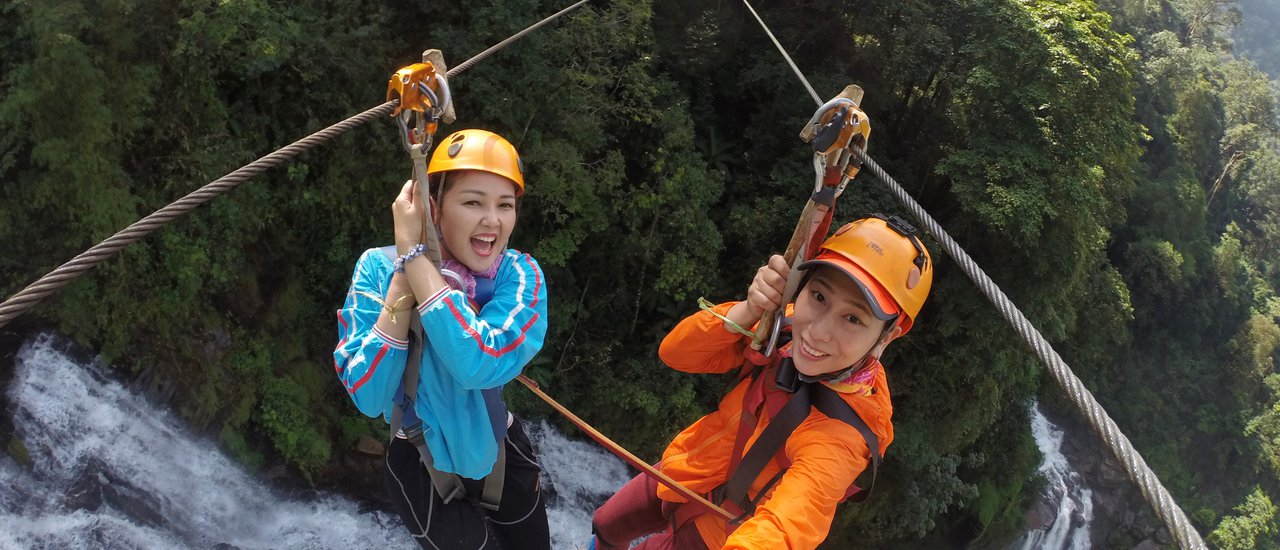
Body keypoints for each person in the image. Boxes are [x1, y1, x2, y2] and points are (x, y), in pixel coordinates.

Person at [590, 215, 934, 549]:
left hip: (713, 534)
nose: (818, 331)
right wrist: (749, 309)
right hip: (685, 466)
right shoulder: (782, 333)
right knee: (606, 524)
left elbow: (788, 526)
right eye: (819, 297)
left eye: (853, 318)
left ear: (889, 335)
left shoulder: (841, 438)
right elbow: (676, 354)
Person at [334, 129, 550, 549]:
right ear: (433, 209)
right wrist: (403, 273)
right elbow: (368, 393)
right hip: (418, 462)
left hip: (498, 449)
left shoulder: (518, 274)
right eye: (473, 202)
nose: (493, 220)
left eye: (505, 205)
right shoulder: (378, 268)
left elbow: (478, 363)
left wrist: (415, 259)